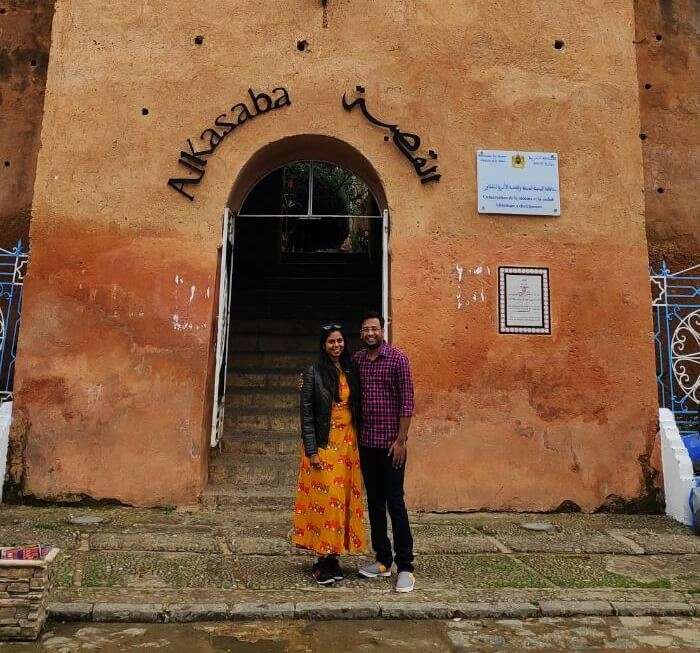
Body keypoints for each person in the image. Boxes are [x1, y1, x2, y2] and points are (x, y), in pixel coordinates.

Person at [292, 324, 367, 585]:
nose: (336, 345)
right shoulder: (312, 373)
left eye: (340, 341)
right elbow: (307, 415)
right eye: (331, 342)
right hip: (324, 446)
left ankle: (333, 558)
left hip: (347, 446)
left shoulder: (349, 369)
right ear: (323, 346)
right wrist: (312, 450)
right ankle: (322, 560)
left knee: (342, 503)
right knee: (326, 502)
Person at [354, 310, 416, 593]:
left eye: (374, 329)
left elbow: (407, 402)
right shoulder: (357, 361)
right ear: (361, 333)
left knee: (395, 503)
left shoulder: (397, 359)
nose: (370, 334)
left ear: (383, 330)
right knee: (375, 504)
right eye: (366, 329)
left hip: (392, 446)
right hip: (367, 444)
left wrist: (401, 440)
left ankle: (405, 566)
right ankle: (383, 559)